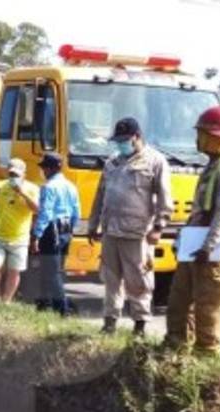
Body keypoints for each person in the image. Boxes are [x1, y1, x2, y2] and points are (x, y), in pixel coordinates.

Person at [164, 105, 220, 354]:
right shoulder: (210, 168)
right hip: (194, 245)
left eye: (202, 134)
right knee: (179, 301)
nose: (197, 139)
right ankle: (176, 346)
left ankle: (206, 355)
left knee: (208, 305)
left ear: (216, 138)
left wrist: (207, 247)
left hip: (211, 250)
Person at [87, 117, 172, 336]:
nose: (121, 144)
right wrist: (93, 224)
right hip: (110, 231)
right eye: (118, 140)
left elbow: (165, 198)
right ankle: (109, 322)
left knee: (139, 281)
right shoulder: (112, 162)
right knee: (110, 279)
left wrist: (158, 228)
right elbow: (100, 195)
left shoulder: (155, 161)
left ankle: (140, 325)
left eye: (125, 140)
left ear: (137, 137)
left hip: (137, 234)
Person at [0, 158, 39, 302]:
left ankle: (7, 300)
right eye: (11, 174)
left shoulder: (32, 189)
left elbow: (37, 209)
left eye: (16, 175)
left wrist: (22, 193)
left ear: (24, 174)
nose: (13, 178)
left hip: (20, 238)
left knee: (14, 271)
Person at [30, 152, 81, 316]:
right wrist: (72, 230)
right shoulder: (71, 186)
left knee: (51, 271)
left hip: (52, 230)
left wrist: (36, 235)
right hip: (66, 230)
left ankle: (63, 309)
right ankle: (45, 305)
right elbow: (76, 212)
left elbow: (45, 212)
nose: (43, 172)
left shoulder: (48, 187)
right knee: (54, 269)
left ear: (50, 169)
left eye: (44, 168)